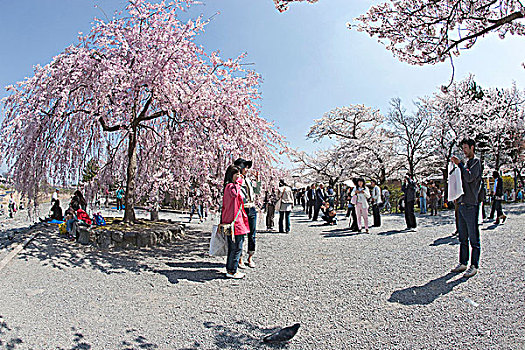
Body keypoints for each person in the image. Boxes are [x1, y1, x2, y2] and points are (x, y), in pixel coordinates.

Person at [450, 138, 482, 278]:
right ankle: (463, 262)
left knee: (473, 236)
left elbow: (469, 178)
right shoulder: (466, 163)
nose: (464, 150)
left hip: (471, 203)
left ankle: (474, 265)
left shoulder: (476, 162)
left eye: (466, 148)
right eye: (463, 148)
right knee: (463, 236)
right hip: (461, 202)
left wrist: (461, 165)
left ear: (472, 147)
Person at [221, 165, 250, 279]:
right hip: (235, 221)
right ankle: (232, 271)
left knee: (234, 247)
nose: (239, 176)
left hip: (234, 220)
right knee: (237, 247)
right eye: (236, 174)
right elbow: (235, 195)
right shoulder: (231, 187)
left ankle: (231, 269)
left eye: (239, 174)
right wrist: (239, 182)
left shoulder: (230, 186)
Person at [233, 158, 260, 269]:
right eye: (246, 167)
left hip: (252, 208)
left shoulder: (248, 180)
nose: (247, 169)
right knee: (241, 234)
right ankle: (240, 258)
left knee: (252, 234)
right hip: (242, 209)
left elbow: (256, 191)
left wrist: (258, 181)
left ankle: (250, 257)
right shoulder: (237, 180)